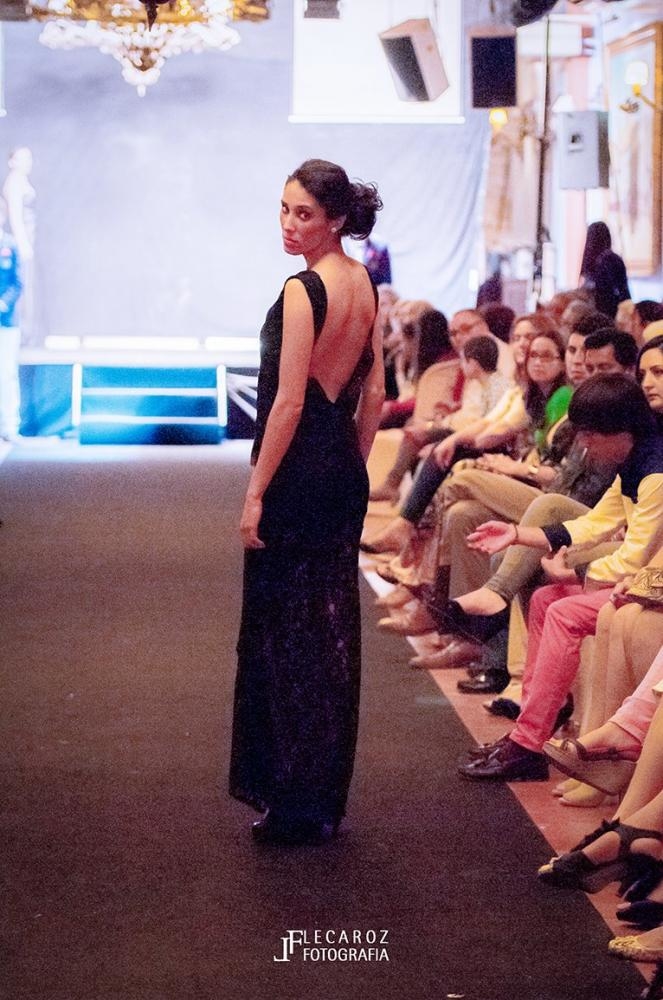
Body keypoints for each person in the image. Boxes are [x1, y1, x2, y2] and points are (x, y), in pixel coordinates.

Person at [229, 159, 385, 846]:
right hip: (340, 468)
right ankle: (320, 796)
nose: (289, 225)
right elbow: (374, 393)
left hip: (296, 472)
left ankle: (292, 799)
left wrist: (255, 492)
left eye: (305, 215)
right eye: (285, 210)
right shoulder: (365, 282)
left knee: (286, 634)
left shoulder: (303, 289)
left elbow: (288, 402)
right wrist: (352, 463)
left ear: (337, 220)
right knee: (332, 630)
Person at [458, 374, 663, 782]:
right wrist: (517, 534)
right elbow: (595, 523)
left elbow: (635, 558)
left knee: (564, 611)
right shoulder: (634, 459)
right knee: (544, 600)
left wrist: (577, 571)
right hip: (641, 576)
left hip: (649, 584)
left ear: (620, 429)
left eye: (589, 434)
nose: (583, 444)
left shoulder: (655, 472)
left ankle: (527, 743)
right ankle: (528, 732)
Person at [0, 198, 23, 442]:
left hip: (6, 321)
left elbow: (17, 283)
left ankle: (9, 426)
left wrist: (3, 303)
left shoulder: (10, 245)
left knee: (6, 373)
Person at [579, 221, 630, 319]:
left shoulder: (589, 261)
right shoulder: (613, 259)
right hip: (612, 309)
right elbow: (623, 289)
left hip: (593, 309)